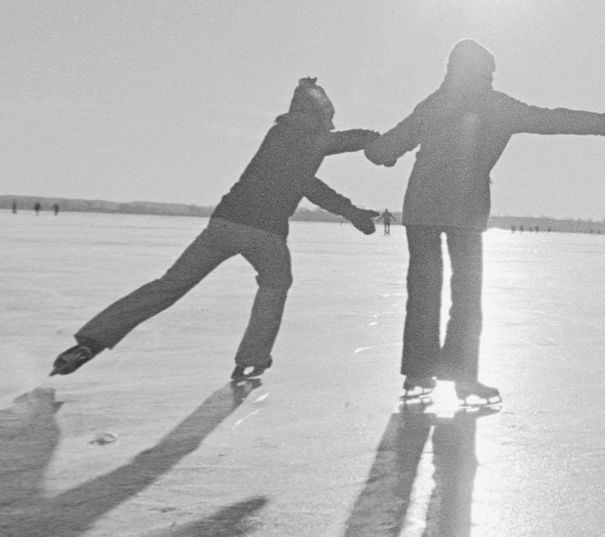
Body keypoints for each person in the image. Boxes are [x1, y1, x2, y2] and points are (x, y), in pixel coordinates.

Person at [52, 79, 380, 383]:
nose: (333, 124)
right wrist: (372, 148)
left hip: (224, 223)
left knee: (169, 285)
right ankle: (252, 356)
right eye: (330, 117)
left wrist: (357, 185)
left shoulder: (283, 132)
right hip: (264, 232)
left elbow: (320, 164)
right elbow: (324, 165)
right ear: (319, 115)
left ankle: (92, 341)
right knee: (275, 283)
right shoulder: (308, 135)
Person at [366, 40, 605, 406]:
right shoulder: (498, 106)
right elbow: (551, 120)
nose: (489, 77)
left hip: (425, 206)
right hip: (464, 209)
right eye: (488, 70)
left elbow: (387, 148)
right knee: (466, 296)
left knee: (426, 290)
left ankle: (420, 373)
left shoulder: (437, 103)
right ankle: (461, 377)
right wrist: (602, 124)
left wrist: (376, 150)